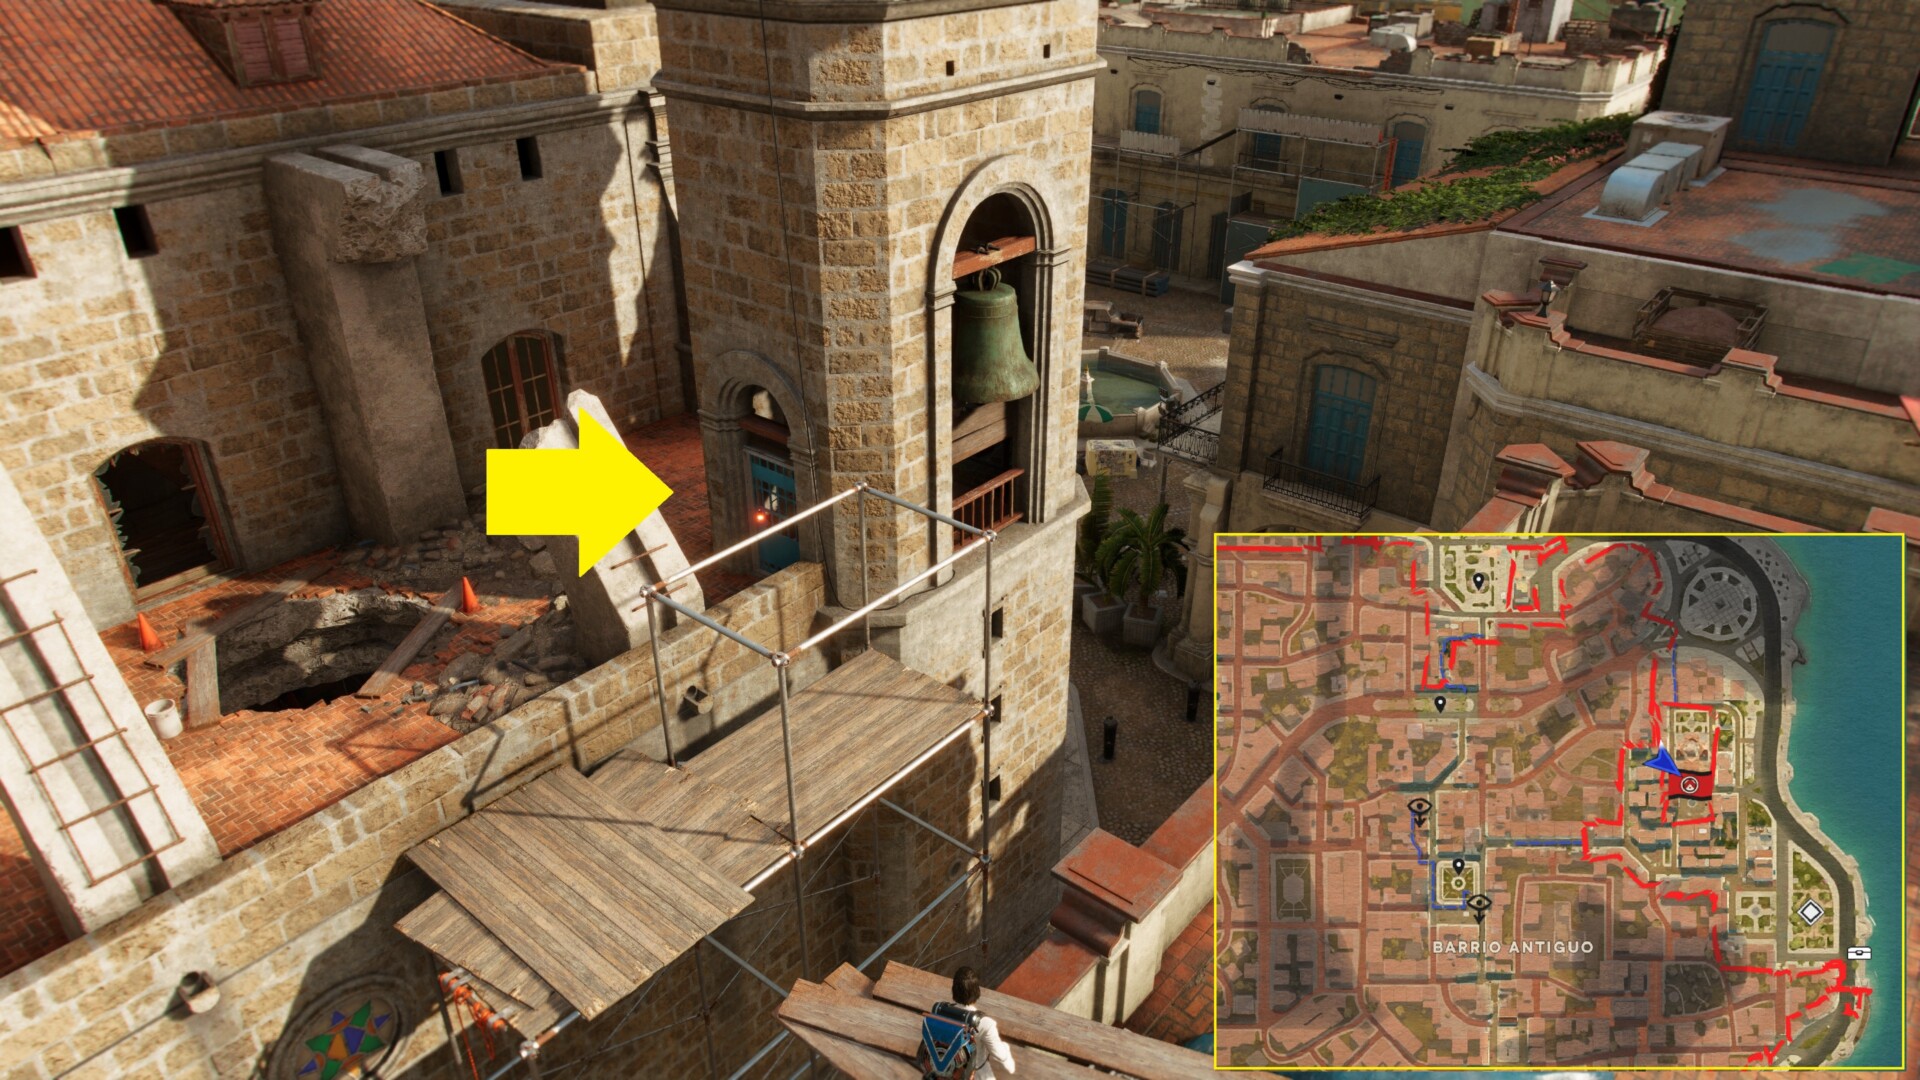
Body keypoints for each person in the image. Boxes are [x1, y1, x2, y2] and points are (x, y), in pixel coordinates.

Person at [949, 966, 1016, 1078]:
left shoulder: (942, 1011)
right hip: (976, 1074)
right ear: (976, 992)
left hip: (948, 1071)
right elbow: (999, 1055)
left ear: (953, 990)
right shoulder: (985, 1024)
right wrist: (1006, 1049)